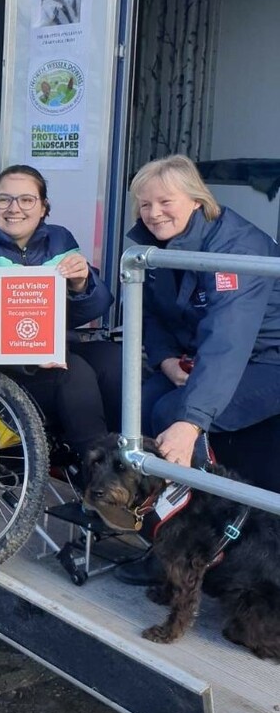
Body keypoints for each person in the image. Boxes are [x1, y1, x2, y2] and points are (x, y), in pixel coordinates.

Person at [114, 154, 280, 586]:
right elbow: (149, 314)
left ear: (195, 199)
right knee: (139, 403)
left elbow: (229, 340)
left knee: (172, 415)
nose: (154, 214)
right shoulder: (155, 246)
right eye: (145, 205)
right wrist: (165, 358)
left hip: (268, 361)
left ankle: (190, 551)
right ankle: (155, 534)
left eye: (165, 202)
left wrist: (192, 420)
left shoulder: (236, 246)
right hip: (203, 357)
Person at [0, 164, 122, 468]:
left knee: (114, 361)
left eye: (26, 200)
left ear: (43, 207)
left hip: (51, 347)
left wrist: (81, 284)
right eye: (4, 199)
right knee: (73, 373)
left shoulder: (60, 240)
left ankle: (127, 457)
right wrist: (30, 352)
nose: (15, 209)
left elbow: (92, 309)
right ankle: (99, 474)